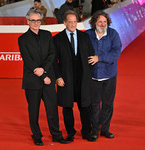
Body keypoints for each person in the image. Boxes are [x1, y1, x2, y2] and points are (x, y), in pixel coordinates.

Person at [18, 9, 71, 146]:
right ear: (28, 21)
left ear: (41, 21)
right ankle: (36, 135)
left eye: (38, 20)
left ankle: (56, 135)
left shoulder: (47, 35)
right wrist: (42, 76)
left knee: (52, 109)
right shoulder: (22, 39)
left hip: (48, 78)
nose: (35, 23)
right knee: (33, 110)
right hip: (32, 80)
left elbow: (52, 55)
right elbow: (28, 60)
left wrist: (45, 72)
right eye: (33, 20)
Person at [53, 10, 96, 143]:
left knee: (85, 106)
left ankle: (86, 132)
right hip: (66, 79)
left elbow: (91, 56)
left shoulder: (84, 37)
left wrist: (89, 74)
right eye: (70, 22)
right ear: (64, 22)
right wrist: (58, 77)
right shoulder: (57, 39)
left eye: (74, 21)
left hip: (83, 78)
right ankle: (70, 132)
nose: (72, 24)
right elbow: (53, 62)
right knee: (67, 107)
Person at [85, 10, 122, 139]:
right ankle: (95, 130)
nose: (102, 24)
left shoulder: (113, 34)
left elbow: (116, 53)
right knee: (94, 105)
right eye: (100, 21)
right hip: (93, 76)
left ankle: (105, 129)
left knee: (107, 104)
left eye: (105, 22)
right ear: (94, 22)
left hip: (110, 75)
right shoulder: (87, 35)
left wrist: (99, 57)